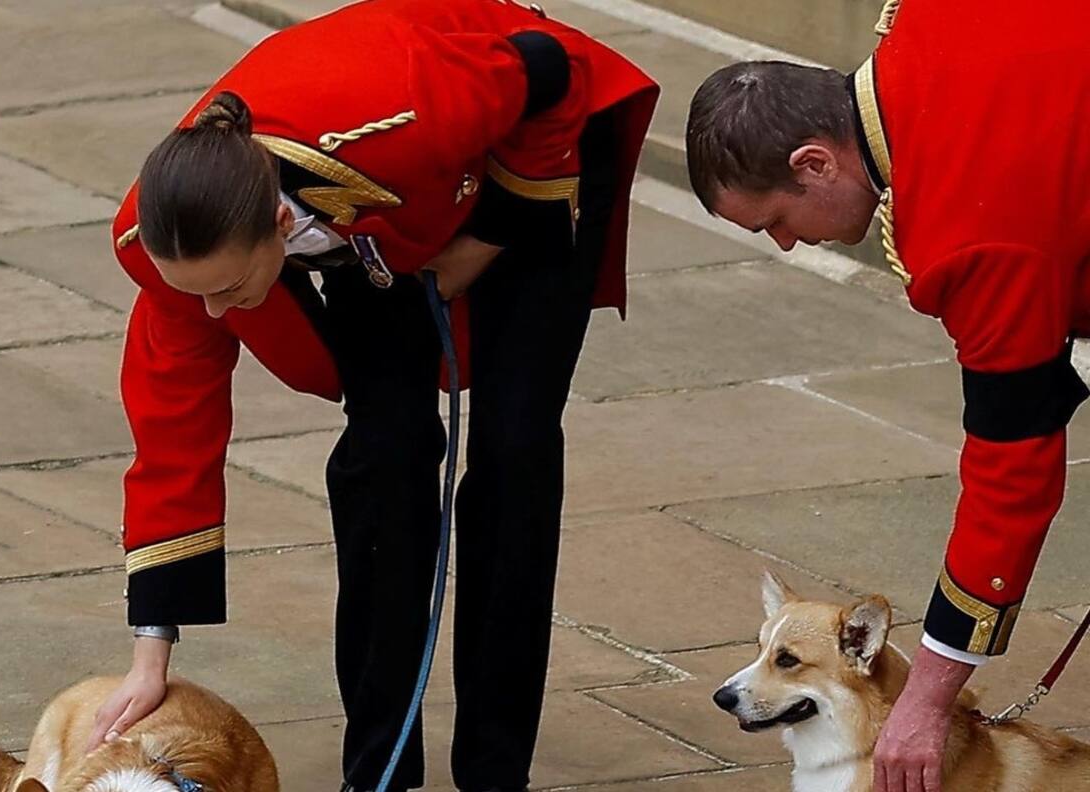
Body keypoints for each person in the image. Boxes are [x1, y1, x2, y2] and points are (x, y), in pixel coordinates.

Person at [90, 1, 659, 790]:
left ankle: (496, 770)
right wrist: (151, 656)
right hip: (383, 213)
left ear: (277, 230)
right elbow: (171, 445)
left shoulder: (402, 115)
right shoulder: (175, 248)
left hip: (530, 144)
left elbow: (550, 73)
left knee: (514, 447)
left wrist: (486, 238)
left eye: (227, 289)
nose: (215, 315)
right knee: (384, 456)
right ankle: (379, 771)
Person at [683, 1, 1090, 790]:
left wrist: (925, 703)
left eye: (776, 222)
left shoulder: (966, 235)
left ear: (814, 162)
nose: (788, 243)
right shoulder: (926, 19)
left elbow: (1012, 481)